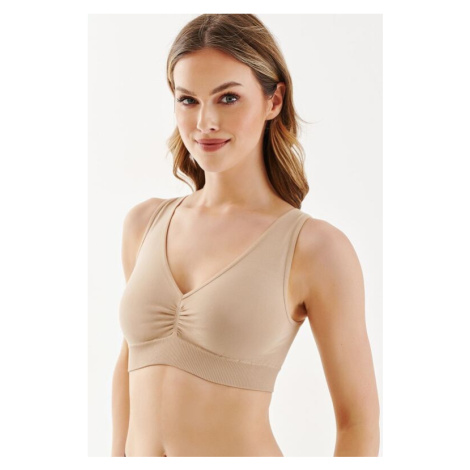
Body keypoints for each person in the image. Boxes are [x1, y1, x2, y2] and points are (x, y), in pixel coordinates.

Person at [111, 14, 380, 457]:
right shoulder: (143, 225)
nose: (205, 122)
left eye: (229, 98)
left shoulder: (315, 248)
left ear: (274, 100)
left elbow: (358, 423)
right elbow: (128, 369)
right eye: (188, 100)